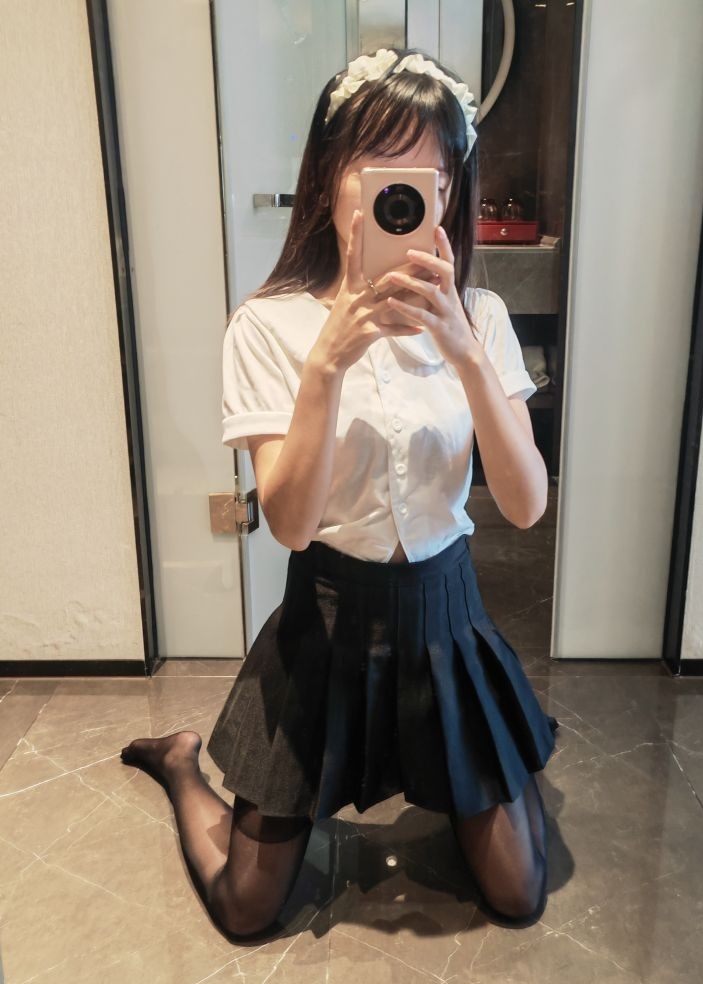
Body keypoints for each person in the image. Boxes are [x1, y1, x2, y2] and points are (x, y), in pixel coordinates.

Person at [121, 47, 559, 939]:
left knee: (519, 892)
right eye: (383, 167)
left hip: (445, 616)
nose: (408, 197)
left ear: (448, 194)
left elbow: (524, 507)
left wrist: (466, 353)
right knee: (247, 906)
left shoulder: (480, 320)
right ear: (329, 179)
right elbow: (288, 524)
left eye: (432, 178)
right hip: (325, 619)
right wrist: (327, 363)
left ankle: (459, 769)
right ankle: (180, 764)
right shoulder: (267, 327)